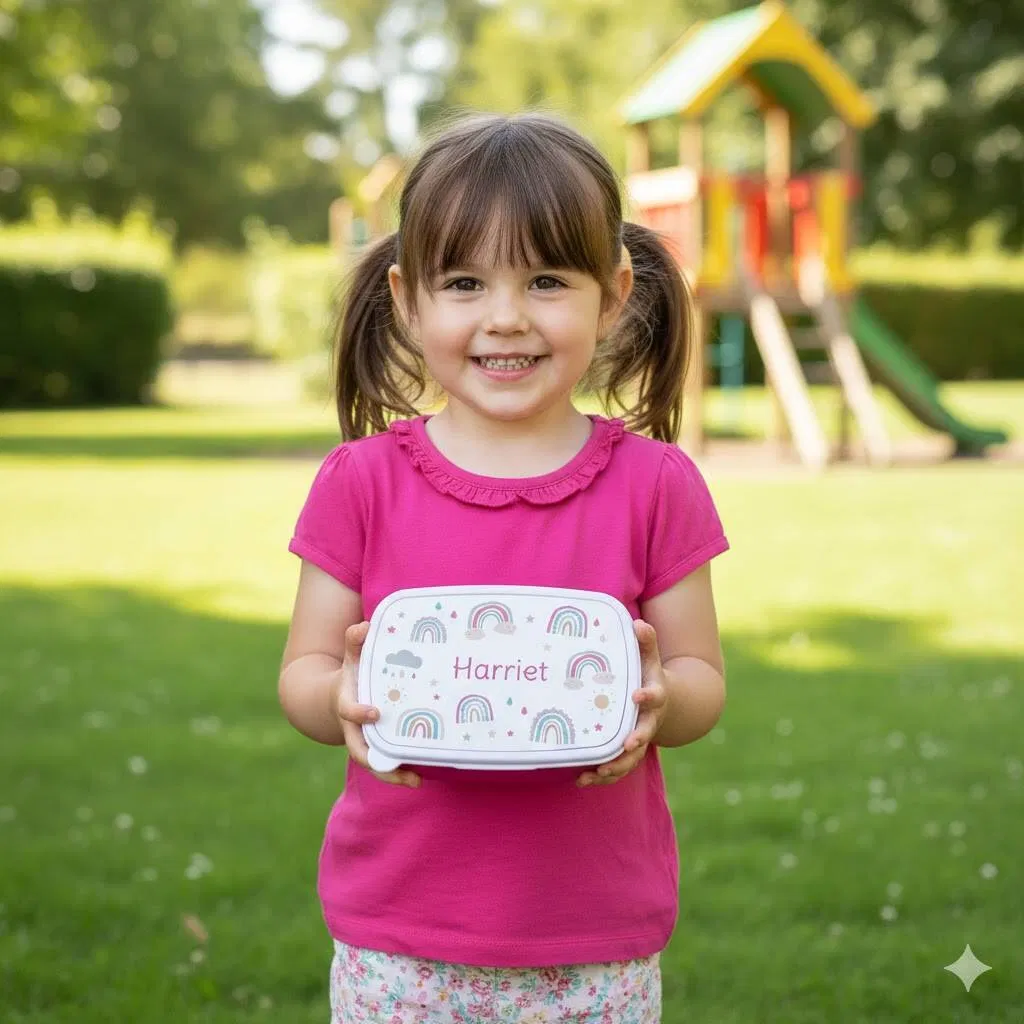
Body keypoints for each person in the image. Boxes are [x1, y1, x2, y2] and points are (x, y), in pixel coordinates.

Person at [279, 112, 729, 1024]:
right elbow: (303, 671)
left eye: (547, 280)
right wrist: (336, 701)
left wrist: (658, 703)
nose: (506, 316)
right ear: (407, 300)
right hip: (396, 935)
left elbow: (700, 679)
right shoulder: (361, 483)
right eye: (465, 281)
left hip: (593, 938)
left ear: (612, 295)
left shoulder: (656, 485)